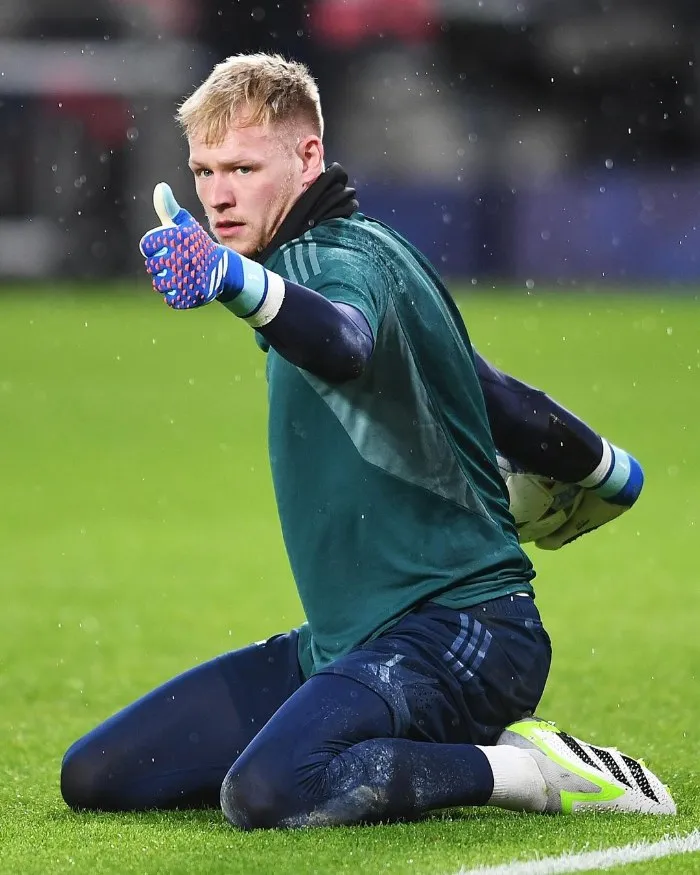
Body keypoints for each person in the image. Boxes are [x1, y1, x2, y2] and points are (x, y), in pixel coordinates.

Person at [60, 54, 675, 826]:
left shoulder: (331, 262)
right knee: (100, 774)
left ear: (309, 155)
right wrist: (610, 471)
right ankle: (359, 714)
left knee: (270, 791)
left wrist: (228, 279)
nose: (218, 194)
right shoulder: (371, 251)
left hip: (463, 631)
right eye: (205, 169)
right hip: (350, 639)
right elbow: (494, 393)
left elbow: (343, 342)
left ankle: (525, 771)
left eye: (244, 167)